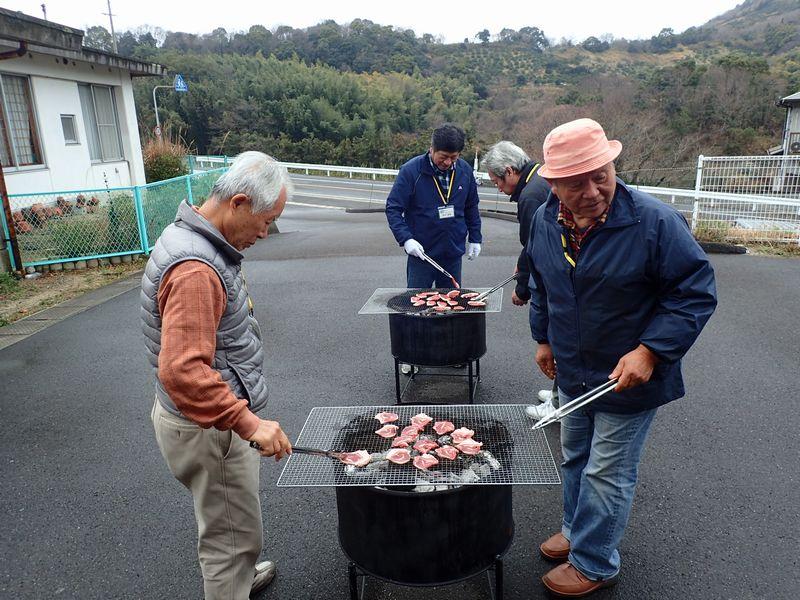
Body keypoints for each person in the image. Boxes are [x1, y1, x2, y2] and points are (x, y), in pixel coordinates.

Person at [526, 119, 717, 597]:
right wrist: (543, 338)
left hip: (627, 376)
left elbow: (694, 293)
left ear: (612, 166)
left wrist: (651, 351)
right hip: (572, 366)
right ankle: (575, 531)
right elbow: (545, 285)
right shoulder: (545, 220)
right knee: (575, 457)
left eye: (602, 175)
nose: (592, 191)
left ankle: (594, 561)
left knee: (607, 472)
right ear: (553, 183)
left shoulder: (655, 222)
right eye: (576, 182)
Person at [141, 151, 294, 599]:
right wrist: (249, 422)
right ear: (239, 202)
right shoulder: (196, 267)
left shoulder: (189, 236)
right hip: (210, 428)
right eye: (266, 221)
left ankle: (238, 575)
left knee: (228, 524)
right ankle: (232, 579)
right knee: (230, 539)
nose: (265, 233)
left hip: (200, 421)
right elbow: (183, 371)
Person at [386, 123, 482, 373]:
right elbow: (394, 208)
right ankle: (411, 355)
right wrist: (406, 239)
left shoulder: (464, 171)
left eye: (454, 157)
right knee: (415, 305)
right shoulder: (411, 171)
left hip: (452, 251)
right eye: (444, 157)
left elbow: (471, 206)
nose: (448, 162)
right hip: (422, 253)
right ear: (432, 149)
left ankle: (453, 351)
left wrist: (475, 237)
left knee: (453, 306)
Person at [481, 140, 557, 419]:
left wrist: (522, 289)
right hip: (559, 269)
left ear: (510, 171)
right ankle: (561, 392)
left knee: (555, 335)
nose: (498, 188)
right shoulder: (540, 177)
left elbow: (533, 248)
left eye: (496, 181)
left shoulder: (531, 196)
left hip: (552, 277)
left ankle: (560, 403)